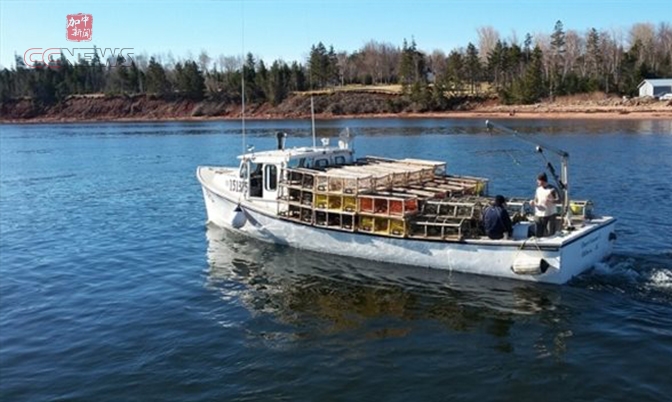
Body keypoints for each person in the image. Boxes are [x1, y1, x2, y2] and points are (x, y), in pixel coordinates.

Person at [532, 172, 560, 237]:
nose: (537, 182)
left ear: (542, 181)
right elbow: (536, 199)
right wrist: (533, 203)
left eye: (538, 180)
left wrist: (551, 200)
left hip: (550, 214)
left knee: (550, 233)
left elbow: (559, 200)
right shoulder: (538, 189)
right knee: (538, 233)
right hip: (539, 214)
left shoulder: (552, 189)